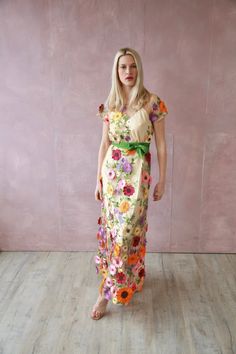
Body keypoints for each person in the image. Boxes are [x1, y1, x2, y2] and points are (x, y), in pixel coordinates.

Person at [91, 47, 168, 320]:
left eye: (132, 66)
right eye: (123, 67)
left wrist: (163, 180)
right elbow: (104, 144)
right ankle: (125, 282)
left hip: (138, 179)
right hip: (112, 178)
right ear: (116, 70)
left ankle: (105, 293)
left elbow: (160, 145)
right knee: (114, 232)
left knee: (129, 234)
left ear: (139, 68)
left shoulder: (152, 102)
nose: (128, 72)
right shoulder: (110, 104)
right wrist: (98, 179)